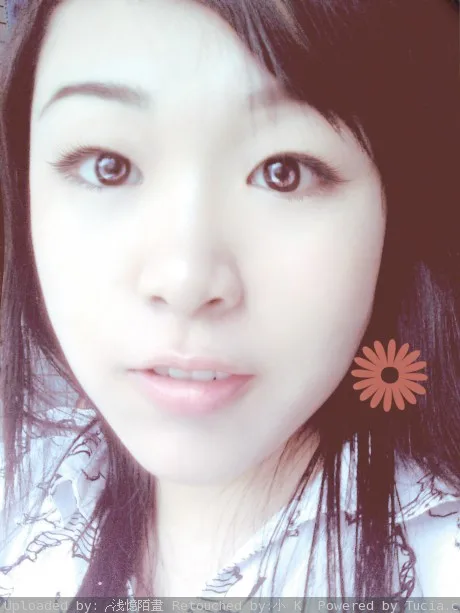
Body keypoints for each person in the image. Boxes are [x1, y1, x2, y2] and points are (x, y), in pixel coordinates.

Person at [0, 0, 459, 600]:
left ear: (395, 212)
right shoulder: (23, 482)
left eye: (285, 172)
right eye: (109, 166)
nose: (186, 282)